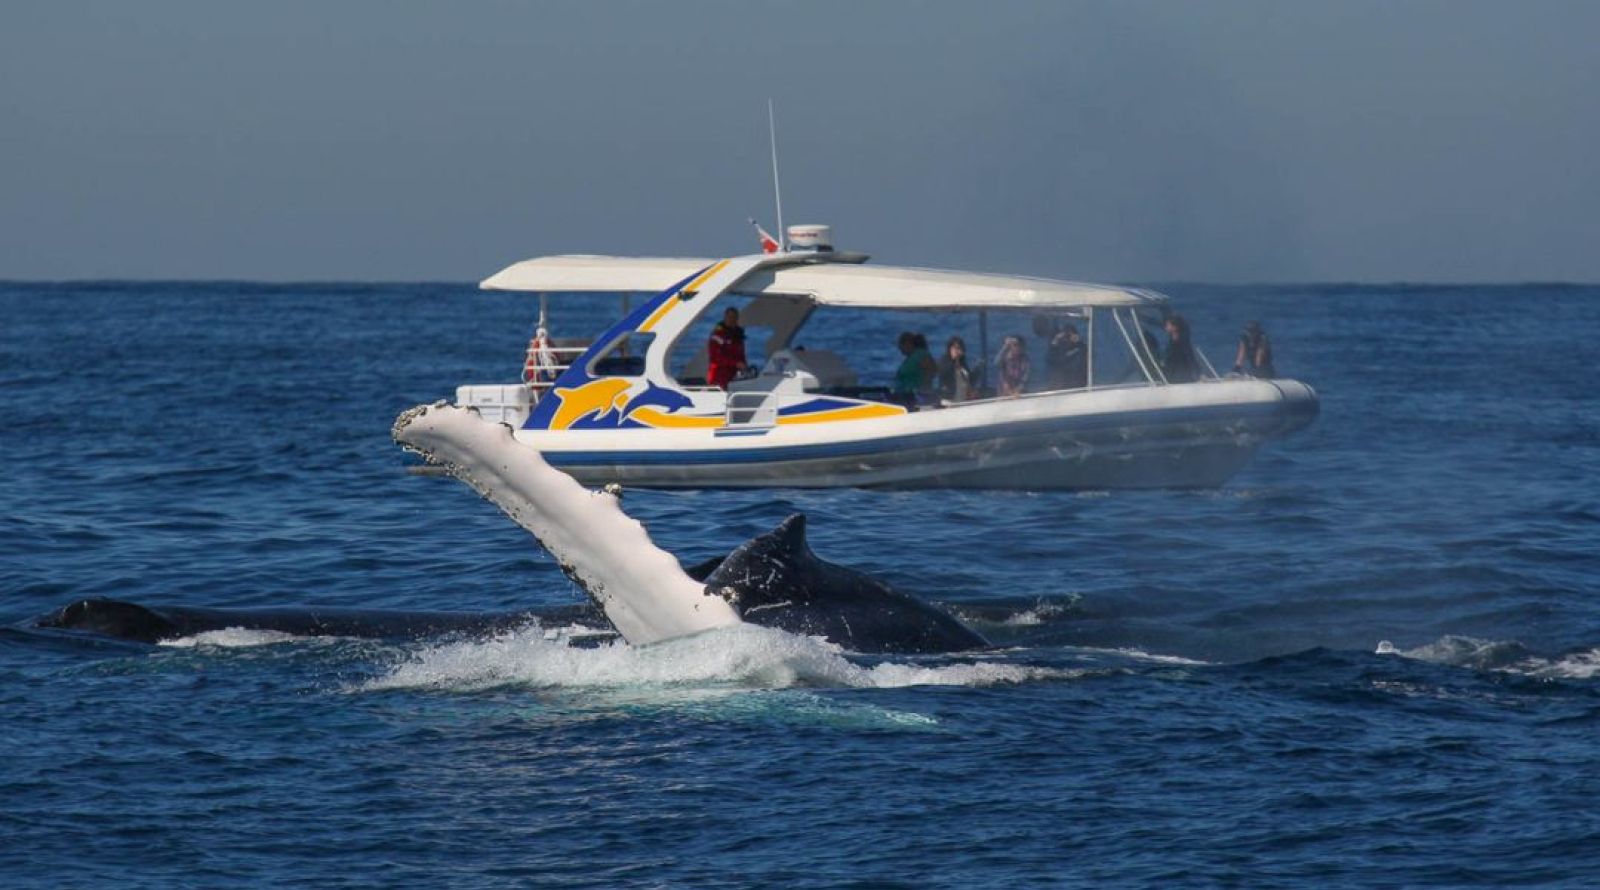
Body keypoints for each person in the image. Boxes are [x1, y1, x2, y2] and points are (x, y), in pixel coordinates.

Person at [891, 331, 937, 407]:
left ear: (908, 344)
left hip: (915, 397)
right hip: (904, 395)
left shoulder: (921, 354)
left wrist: (922, 387)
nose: (899, 348)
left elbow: (933, 371)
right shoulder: (910, 358)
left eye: (901, 345)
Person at [706, 307, 747, 389]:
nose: (732, 320)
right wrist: (736, 363)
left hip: (734, 375)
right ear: (725, 317)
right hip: (718, 375)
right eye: (729, 317)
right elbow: (717, 358)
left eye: (734, 317)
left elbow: (741, 354)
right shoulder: (718, 335)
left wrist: (744, 365)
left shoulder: (738, 335)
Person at [1161, 314, 1201, 384]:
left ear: (1175, 327)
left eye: (1168, 325)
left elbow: (1188, 357)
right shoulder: (1174, 341)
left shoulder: (1181, 341)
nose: (1166, 328)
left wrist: (1197, 373)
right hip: (1175, 373)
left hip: (1180, 375)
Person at [936, 335, 977, 403]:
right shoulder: (944, 361)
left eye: (960, 348)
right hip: (949, 399)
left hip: (963, 398)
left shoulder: (963, 363)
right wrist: (953, 361)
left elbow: (969, 379)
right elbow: (943, 374)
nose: (957, 351)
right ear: (950, 348)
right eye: (955, 348)